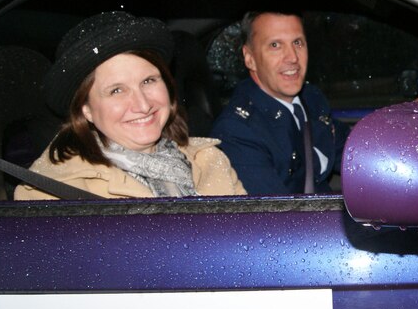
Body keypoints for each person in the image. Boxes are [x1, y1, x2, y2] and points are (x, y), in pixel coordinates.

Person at [15, 11, 245, 200]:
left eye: (148, 81)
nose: (143, 105)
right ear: (86, 109)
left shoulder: (210, 159)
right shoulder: (53, 192)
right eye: (116, 90)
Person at [210, 11, 418, 195]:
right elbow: (275, 225)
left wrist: (410, 116)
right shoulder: (238, 132)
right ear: (249, 58)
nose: (292, 58)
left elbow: (355, 150)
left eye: (298, 43)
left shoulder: (310, 99)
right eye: (275, 45)